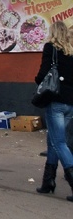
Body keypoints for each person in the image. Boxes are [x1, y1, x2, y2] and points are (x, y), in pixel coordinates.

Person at [35, 21, 73, 201]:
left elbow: (43, 74)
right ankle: (48, 182)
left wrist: (38, 81)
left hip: (56, 100)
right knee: (53, 141)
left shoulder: (51, 48)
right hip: (70, 102)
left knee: (59, 142)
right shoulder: (71, 50)